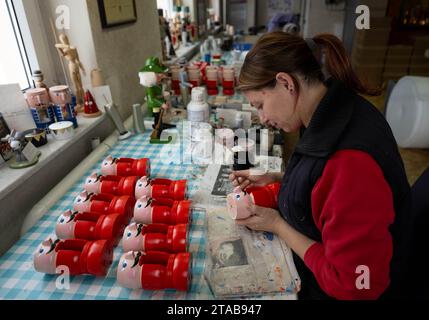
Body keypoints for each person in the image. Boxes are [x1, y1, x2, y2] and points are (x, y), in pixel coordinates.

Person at [230, 32, 412, 300]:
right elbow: (325, 187)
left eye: (260, 105)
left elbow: (354, 286)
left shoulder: (349, 164)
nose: (263, 118)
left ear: (285, 83)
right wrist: (278, 178)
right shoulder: (334, 108)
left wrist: (278, 225)